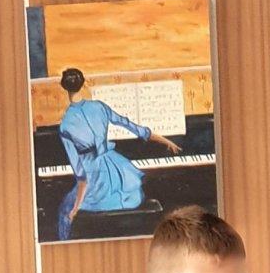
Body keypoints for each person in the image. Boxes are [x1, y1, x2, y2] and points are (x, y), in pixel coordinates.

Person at [56, 68, 181, 241]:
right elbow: (132, 127)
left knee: (64, 210)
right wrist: (165, 140)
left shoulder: (65, 125)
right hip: (117, 171)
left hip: (93, 180)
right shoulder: (99, 107)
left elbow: (82, 177)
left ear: (64, 87)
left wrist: (75, 209)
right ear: (83, 84)